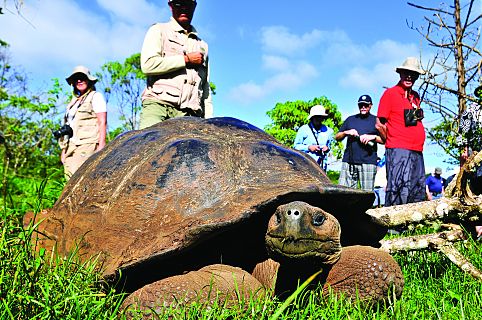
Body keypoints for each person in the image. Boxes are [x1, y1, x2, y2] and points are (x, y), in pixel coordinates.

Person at [139, 0, 213, 129]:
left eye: (188, 4)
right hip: (159, 106)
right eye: (179, 4)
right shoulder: (159, 30)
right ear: (171, 6)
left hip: (191, 115)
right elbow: (148, 65)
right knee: (145, 145)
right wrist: (186, 59)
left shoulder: (203, 46)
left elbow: (206, 87)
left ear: (194, 6)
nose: (183, 8)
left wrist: (209, 122)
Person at [376, 57, 426, 206]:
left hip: (417, 149)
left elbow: (411, 121)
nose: (409, 76)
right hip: (398, 148)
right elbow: (379, 124)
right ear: (400, 73)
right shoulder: (390, 93)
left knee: (417, 186)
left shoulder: (415, 97)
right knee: (398, 186)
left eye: (413, 74)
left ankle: (412, 223)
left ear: (417, 77)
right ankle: (394, 227)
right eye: (406, 73)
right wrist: (390, 139)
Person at [59, 66, 107, 180]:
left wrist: (101, 146)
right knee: (68, 179)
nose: (79, 81)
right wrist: (63, 150)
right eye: (76, 79)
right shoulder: (73, 102)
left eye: (82, 78)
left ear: (88, 80)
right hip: (71, 146)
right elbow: (68, 126)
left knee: (79, 179)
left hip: (88, 144)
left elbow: (102, 121)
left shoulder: (96, 97)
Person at [335, 94, 383, 191]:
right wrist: (346, 132)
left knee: (367, 193)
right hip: (349, 161)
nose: (363, 107)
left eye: (366, 105)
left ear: (371, 105)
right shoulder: (350, 119)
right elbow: (337, 137)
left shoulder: (376, 120)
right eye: (361, 105)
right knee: (344, 192)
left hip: (368, 162)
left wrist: (372, 137)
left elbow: (384, 140)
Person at [294, 105, 334, 171]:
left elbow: (329, 147)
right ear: (312, 117)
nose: (319, 119)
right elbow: (295, 147)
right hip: (305, 166)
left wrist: (327, 149)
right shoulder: (303, 129)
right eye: (317, 117)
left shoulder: (329, 131)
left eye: (320, 117)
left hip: (321, 167)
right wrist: (309, 147)